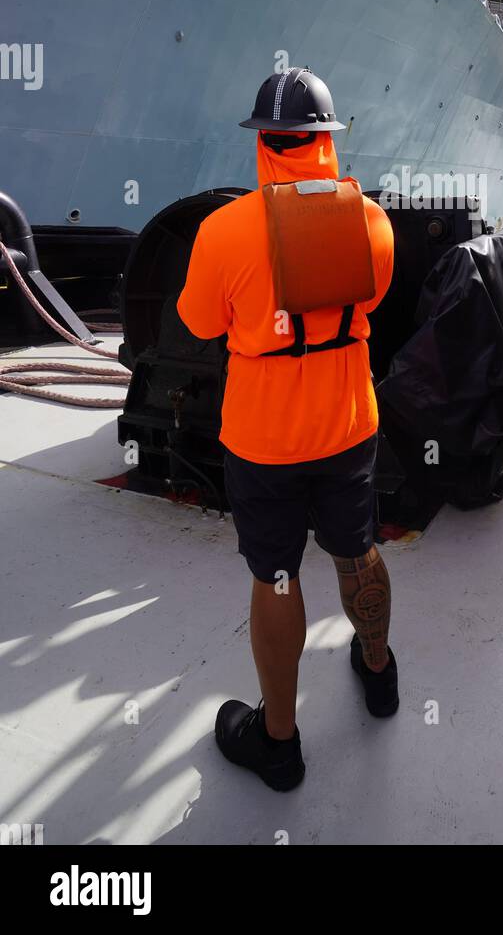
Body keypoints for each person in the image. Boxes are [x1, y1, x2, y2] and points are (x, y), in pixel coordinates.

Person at [177, 68, 396, 791]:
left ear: (264, 143)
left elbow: (198, 323)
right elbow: (373, 297)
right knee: (358, 551)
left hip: (263, 446)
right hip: (349, 429)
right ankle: (378, 671)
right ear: (327, 139)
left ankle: (279, 743)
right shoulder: (372, 222)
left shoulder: (222, 232)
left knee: (275, 578)